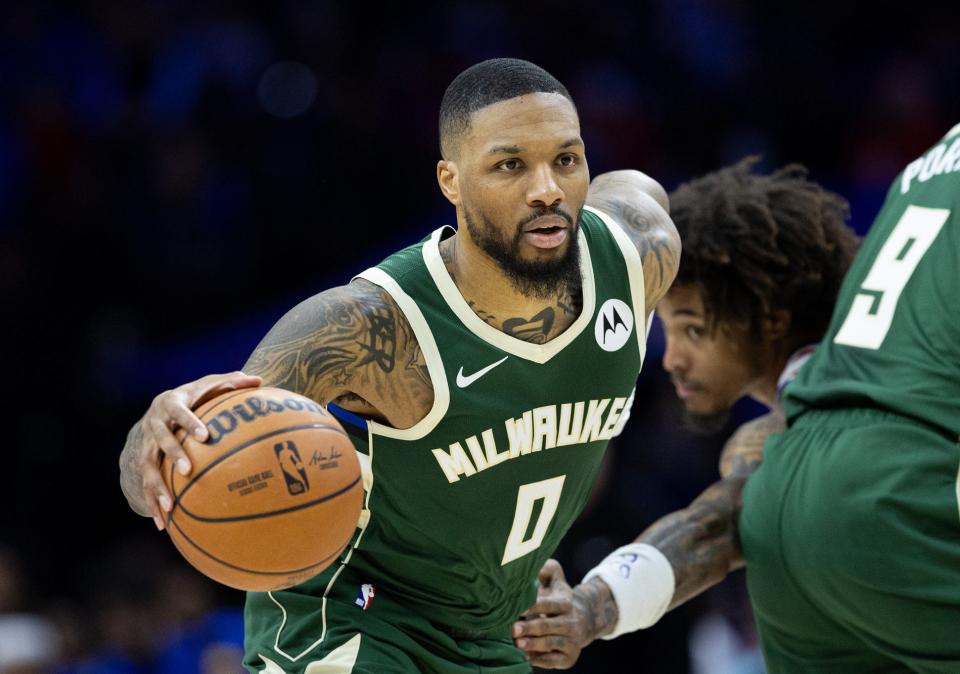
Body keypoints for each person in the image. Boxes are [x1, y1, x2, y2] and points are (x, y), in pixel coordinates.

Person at [118, 58, 681, 674]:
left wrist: (515, 555)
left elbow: (573, 440)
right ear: (451, 181)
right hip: (355, 619)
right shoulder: (366, 327)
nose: (546, 188)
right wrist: (153, 435)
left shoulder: (640, 255)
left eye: (566, 160)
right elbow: (162, 479)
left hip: (496, 630)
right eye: (509, 165)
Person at [512, 157, 861, 668]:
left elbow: (711, 532)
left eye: (693, 329)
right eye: (667, 331)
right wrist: (588, 608)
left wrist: (590, 608)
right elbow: (709, 533)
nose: (672, 359)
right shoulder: (764, 444)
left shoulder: (860, 397)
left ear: (767, 318)